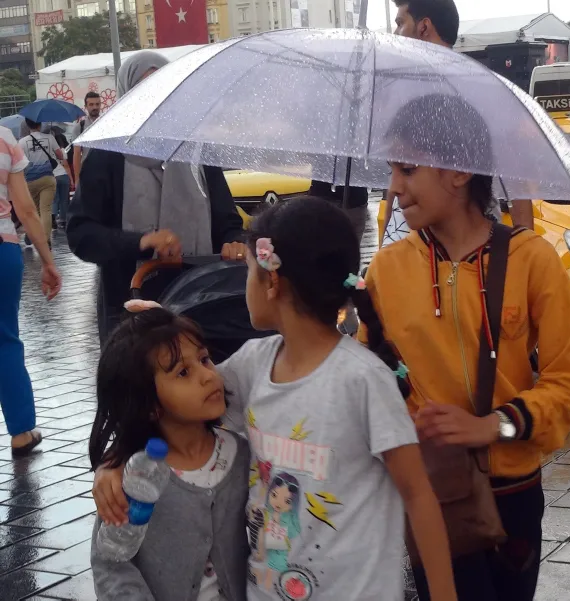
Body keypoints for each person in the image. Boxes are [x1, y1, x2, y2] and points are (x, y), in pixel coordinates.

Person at [92, 198, 459, 601]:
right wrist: (117, 461)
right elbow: (181, 397)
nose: (243, 283)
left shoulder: (363, 379)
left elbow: (418, 495)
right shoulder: (253, 365)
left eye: (247, 271)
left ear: (272, 281)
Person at [360, 94, 570, 601]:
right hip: (431, 490)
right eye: (392, 171)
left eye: (407, 169)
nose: (395, 188)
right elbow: (369, 379)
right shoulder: (386, 269)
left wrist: (493, 425)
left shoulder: (532, 260)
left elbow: (569, 382)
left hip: (514, 491)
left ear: (459, 172)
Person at [67, 51, 247, 344]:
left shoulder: (196, 151)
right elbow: (81, 234)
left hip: (201, 303)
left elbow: (226, 218)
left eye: (163, 87)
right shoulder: (107, 155)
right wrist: (141, 242)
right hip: (131, 310)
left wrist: (234, 240)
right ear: (128, 93)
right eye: (144, 87)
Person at [90, 308, 250, 600]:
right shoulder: (138, 477)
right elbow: (112, 563)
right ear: (150, 404)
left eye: (204, 359)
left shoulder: (241, 456)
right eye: (183, 372)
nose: (207, 376)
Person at [385, 0, 533, 236]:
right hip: (408, 243)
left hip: (470, 247)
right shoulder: (404, 92)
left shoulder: (480, 90)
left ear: (423, 27)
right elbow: (394, 182)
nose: (395, 33)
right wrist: (387, 241)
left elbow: (515, 177)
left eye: (400, 23)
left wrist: (525, 252)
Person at [0, 125, 61, 458]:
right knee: (5, 341)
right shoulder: (5, 139)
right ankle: (22, 431)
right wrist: (48, 262)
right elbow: (26, 209)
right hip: (2, 252)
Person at [18, 118, 64, 246]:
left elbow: (19, 163)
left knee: (35, 211)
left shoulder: (21, 142)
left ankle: (31, 233)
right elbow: (61, 156)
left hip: (30, 181)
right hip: (48, 179)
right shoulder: (49, 137)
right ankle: (46, 240)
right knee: (46, 210)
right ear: (40, 124)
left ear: (27, 125)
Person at [71, 91, 102, 180]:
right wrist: (77, 180)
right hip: (88, 173)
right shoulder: (80, 127)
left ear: (100, 105)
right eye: (91, 104)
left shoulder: (107, 124)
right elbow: (76, 154)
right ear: (86, 107)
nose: (95, 107)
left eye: (97, 104)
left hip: (106, 172)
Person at [49, 126, 73, 231]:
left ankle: (53, 218)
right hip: (63, 175)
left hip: (52, 176)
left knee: (55, 199)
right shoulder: (62, 150)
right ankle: (63, 220)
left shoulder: (47, 149)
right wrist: (71, 179)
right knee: (64, 199)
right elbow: (66, 165)